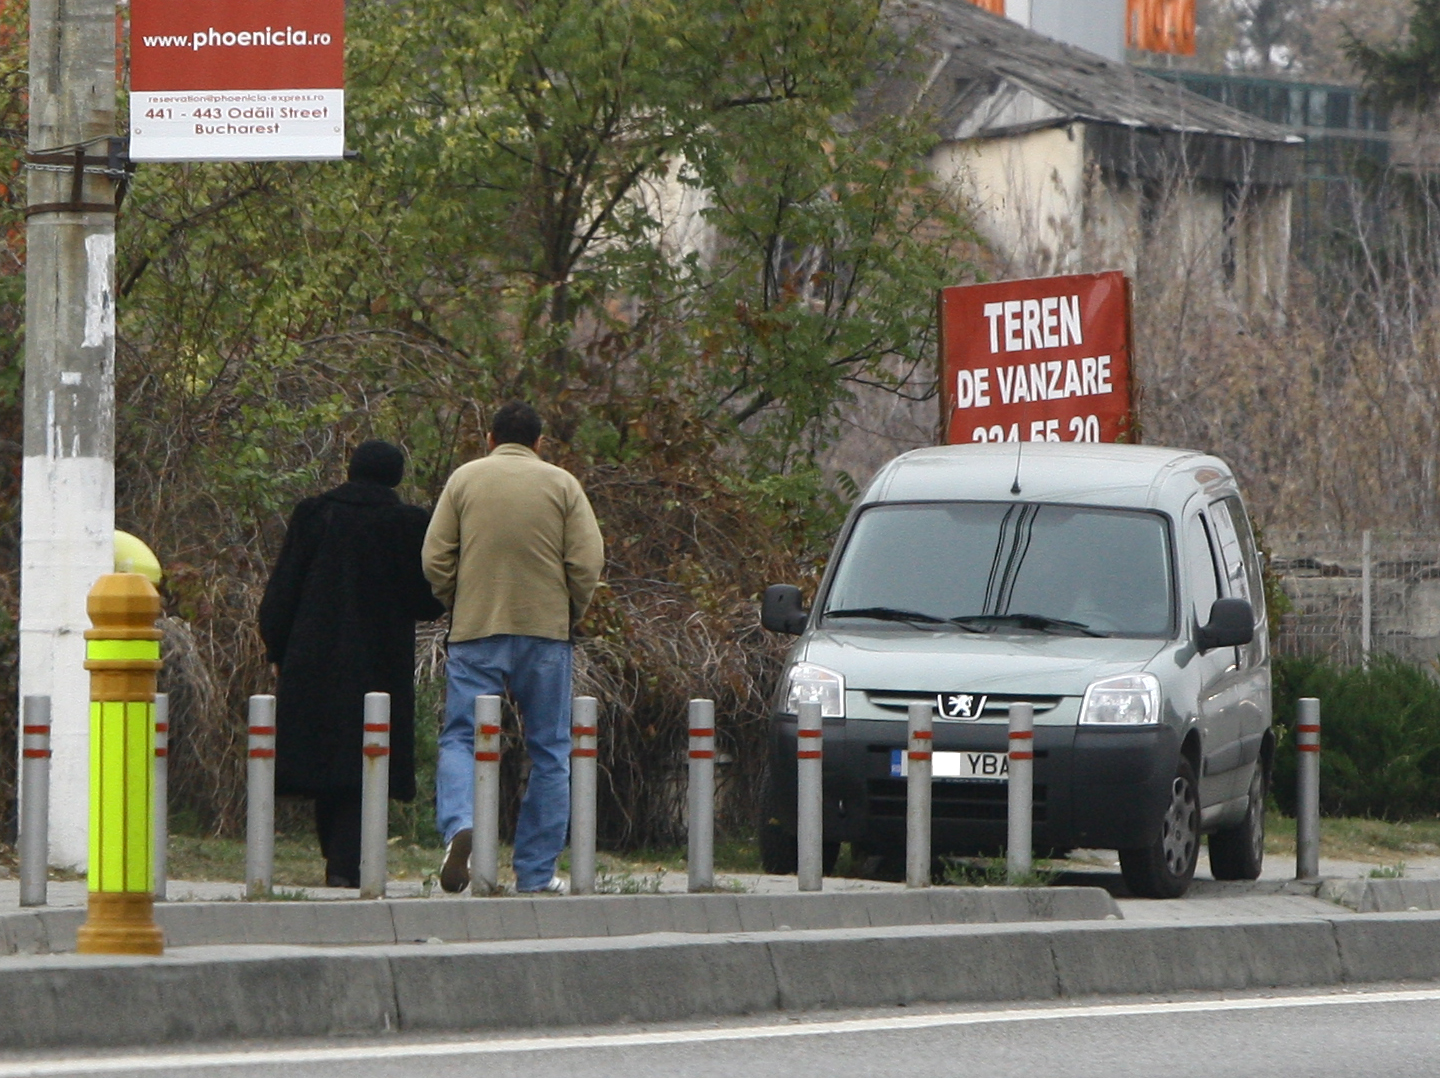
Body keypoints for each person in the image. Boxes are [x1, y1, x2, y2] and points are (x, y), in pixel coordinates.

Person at [423, 401, 604, 894]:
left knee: (461, 735)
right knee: (550, 750)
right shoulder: (562, 484)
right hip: (545, 634)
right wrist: (571, 609)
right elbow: (587, 561)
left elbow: (435, 555)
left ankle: (461, 823)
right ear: (539, 443)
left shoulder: (464, 479)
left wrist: (457, 599)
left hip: (476, 629)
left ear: (489, 438)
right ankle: (536, 873)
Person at [259, 440, 445, 887]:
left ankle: (338, 862)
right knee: (368, 757)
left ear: (351, 468)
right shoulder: (408, 523)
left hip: (313, 657)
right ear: (396, 476)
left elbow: (282, 591)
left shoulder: (314, 514)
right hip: (380, 662)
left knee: (326, 758)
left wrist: (278, 650)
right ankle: (347, 863)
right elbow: (425, 600)